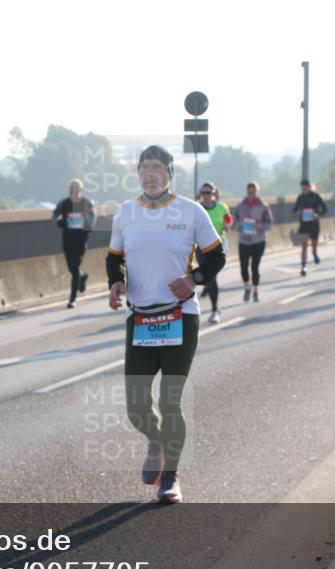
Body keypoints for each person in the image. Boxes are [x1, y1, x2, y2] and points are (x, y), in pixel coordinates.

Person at [107, 145, 225, 504]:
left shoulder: (191, 211)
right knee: (136, 406)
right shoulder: (125, 212)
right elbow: (115, 259)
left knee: (169, 401)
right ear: (138, 173)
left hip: (179, 316)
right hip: (140, 318)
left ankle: (170, 476)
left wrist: (194, 279)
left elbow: (217, 256)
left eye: (157, 167)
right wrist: (116, 282)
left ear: (170, 173)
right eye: (145, 166)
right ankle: (156, 441)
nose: (150, 173)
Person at [52, 179, 96, 308]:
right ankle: (81, 277)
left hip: (81, 240)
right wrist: (59, 222)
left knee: (75, 266)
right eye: (71, 186)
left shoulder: (87, 203)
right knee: (71, 268)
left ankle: (72, 298)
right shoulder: (64, 203)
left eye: (76, 186)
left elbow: (93, 218)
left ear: (81, 189)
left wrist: (87, 223)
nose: (73, 189)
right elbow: (54, 215)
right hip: (67, 240)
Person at [196, 182, 232, 323]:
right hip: (201, 247)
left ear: (213, 193)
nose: (205, 195)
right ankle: (209, 291)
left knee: (212, 277)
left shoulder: (221, 207)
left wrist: (227, 225)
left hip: (217, 246)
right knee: (208, 276)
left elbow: (229, 220)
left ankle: (215, 309)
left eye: (208, 193)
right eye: (203, 193)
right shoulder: (196, 208)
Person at [232, 182, 273, 301]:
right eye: (249, 192)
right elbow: (234, 223)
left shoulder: (263, 206)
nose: (251, 194)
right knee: (243, 267)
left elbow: (269, 224)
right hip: (244, 240)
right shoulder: (240, 206)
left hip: (258, 240)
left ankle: (255, 291)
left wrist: (259, 225)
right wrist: (240, 225)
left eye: (253, 192)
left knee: (255, 267)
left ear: (257, 192)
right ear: (246, 192)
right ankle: (247, 287)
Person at [292, 179, 327, 277]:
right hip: (304, 225)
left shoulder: (316, 196)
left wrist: (318, 215)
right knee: (304, 246)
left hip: (314, 224)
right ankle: (303, 267)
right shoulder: (300, 198)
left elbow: (325, 209)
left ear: (309, 187)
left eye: (305, 187)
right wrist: (298, 213)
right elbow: (294, 211)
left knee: (314, 244)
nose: (304, 189)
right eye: (302, 188)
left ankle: (314, 253)